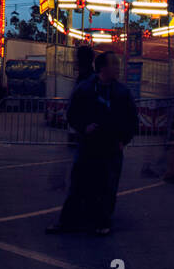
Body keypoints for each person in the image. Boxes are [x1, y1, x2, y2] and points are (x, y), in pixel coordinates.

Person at [48, 51, 138, 236]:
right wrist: (84, 127)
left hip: (111, 145)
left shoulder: (122, 92)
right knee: (79, 182)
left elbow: (131, 120)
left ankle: (102, 222)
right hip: (89, 144)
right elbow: (72, 113)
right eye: (114, 64)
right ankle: (68, 221)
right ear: (103, 68)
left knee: (107, 186)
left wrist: (123, 140)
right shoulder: (85, 89)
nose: (117, 67)